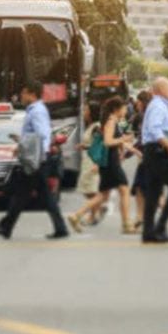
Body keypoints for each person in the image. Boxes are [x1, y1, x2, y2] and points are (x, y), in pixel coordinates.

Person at [0, 80, 69, 240]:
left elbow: (42, 135)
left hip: (36, 160)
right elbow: (35, 136)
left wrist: (34, 153)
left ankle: (6, 227)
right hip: (37, 158)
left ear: (32, 94)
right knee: (33, 195)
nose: (21, 96)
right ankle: (60, 228)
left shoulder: (37, 111)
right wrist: (22, 143)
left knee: (24, 195)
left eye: (23, 93)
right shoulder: (34, 110)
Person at [67, 97, 140, 234]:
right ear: (116, 109)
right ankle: (126, 224)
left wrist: (133, 149)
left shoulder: (113, 121)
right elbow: (107, 141)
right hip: (111, 162)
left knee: (103, 195)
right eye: (124, 108)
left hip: (108, 162)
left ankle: (76, 215)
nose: (125, 111)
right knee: (124, 190)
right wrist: (123, 138)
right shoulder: (111, 120)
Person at [140, 77, 168, 244]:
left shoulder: (159, 104)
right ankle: (160, 227)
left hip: (153, 151)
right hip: (158, 151)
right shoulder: (158, 105)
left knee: (154, 192)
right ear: (161, 90)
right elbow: (155, 128)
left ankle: (149, 231)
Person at [75, 104, 102, 225]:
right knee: (87, 189)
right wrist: (83, 146)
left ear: (92, 112)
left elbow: (100, 145)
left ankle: (93, 216)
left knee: (91, 189)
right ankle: (98, 210)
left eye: (86, 110)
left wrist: (97, 163)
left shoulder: (97, 126)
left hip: (92, 160)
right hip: (87, 160)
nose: (84, 112)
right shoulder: (91, 126)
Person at [129, 89, 152, 230]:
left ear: (143, 103)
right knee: (140, 188)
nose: (136, 104)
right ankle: (139, 217)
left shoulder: (146, 117)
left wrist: (127, 153)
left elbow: (142, 140)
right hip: (142, 155)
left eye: (138, 102)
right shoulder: (139, 116)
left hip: (146, 156)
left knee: (145, 187)